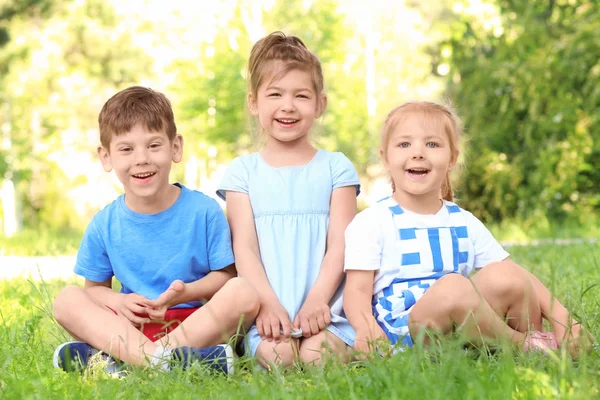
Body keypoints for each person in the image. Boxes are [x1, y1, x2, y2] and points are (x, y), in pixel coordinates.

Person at [343, 101, 591, 356]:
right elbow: (356, 292)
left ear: (452, 159)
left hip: (463, 324)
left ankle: (538, 344)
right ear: (385, 157)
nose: (418, 153)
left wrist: (566, 319)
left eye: (432, 144)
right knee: (453, 286)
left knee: (507, 275)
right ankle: (524, 345)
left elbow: (513, 275)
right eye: (404, 144)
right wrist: (366, 330)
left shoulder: (462, 220)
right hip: (407, 333)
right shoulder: (372, 221)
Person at [52, 86, 259, 375]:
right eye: (126, 149)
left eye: (153, 145)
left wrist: (187, 291)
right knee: (66, 300)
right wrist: (119, 301)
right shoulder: (104, 223)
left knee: (244, 291)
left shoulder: (204, 211)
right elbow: (95, 291)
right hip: (131, 327)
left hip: (194, 325)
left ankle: (117, 358)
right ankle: (169, 361)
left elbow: (226, 276)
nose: (141, 159)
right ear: (106, 157)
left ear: (175, 147)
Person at [217, 32, 360, 368]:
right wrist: (266, 304)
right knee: (279, 358)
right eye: (275, 94)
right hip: (267, 308)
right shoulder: (242, 173)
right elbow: (245, 249)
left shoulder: (336, 167)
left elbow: (341, 245)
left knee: (315, 357)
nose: (288, 106)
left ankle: (350, 341)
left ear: (319, 104)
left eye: (301, 95)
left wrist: (317, 301)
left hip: (327, 306)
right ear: (254, 102)